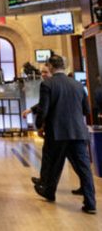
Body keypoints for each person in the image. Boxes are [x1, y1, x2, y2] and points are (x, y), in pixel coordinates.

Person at [33, 55, 96, 214]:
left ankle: (49, 192)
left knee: (54, 164)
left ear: (50, 67)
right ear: (64, 66)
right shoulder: (77, 84)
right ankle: (90, 203)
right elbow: (86, 110)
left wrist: (39, 125)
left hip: (57, 132)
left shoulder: (47, 84)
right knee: (84, 168)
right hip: (78, 131)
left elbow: (43, 110)